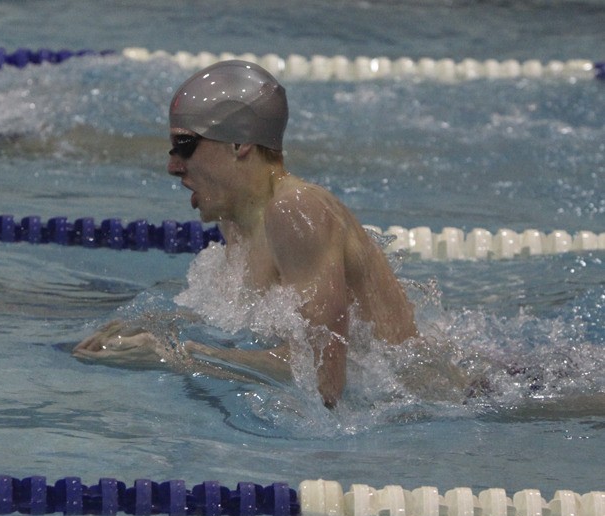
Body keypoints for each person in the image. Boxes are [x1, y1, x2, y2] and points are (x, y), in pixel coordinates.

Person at [74, 60, 417, 407]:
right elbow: (247, 322)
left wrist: (175, 357)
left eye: (186, 146)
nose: (173, 166)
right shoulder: (238, 220)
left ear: (239, 143)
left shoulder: (297, 210)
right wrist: (158, 326)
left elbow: (324, 380)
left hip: (426, 408)